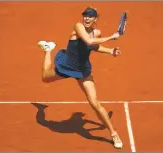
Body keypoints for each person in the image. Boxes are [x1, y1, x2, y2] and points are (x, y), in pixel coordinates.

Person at [37, 7, 123, 149]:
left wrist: (110, 51)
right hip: (67, 66)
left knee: (95, 103)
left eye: (90, 17)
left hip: (82, 71)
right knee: (45, 78)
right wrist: (111, 37)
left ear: (95, 19)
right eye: (85, 16)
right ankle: (48, 50)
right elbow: (88, 42)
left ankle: (113, 134)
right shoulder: (78, 27)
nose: (87, 19)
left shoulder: (97, 32)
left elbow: (94, 47)